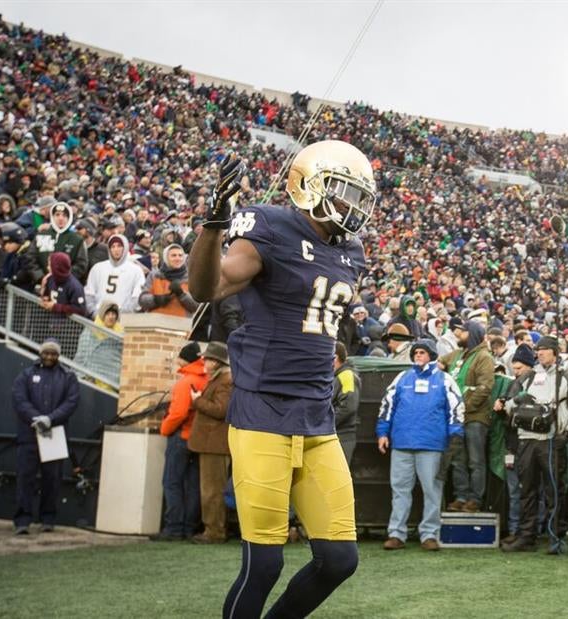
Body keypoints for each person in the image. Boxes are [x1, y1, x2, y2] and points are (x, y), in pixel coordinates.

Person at [189, 142, 374, 618]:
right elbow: (207, 288)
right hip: (263, 411)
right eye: (341, 191)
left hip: (316, 415)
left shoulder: (352, 250)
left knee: (339, 559)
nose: (351, 206)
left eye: (357, 196)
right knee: (265, 563)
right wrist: (213, 224)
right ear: (308, 184)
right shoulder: (270, 225)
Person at [376, 340, 464, 551]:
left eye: (422, 352)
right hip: (402, 443)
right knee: (400, 490)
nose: (417, 355)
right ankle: (396, 533)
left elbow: (457, 409)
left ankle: (429, 534)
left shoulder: (445, 380)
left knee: (432, 491)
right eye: (415, 352)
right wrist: (382, 432)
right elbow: (387, 405)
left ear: (432, 355)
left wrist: (455, 436)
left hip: (432, 444)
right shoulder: (403, 377)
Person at [500, 338, 568, 554]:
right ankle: (526, 536)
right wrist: (521, 402)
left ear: (554, 352)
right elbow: (509, 404)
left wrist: (567, 434)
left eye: (544, 350)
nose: (540, 353)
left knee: (554, 491)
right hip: (526, 440)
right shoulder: (528, 376)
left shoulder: (566, 377)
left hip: (552, 440)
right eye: (538, 350)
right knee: (527, 491)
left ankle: (555, 537)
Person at [10, 339, 79, 534]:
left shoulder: (68, 376)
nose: (49, 357)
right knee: (25, 478)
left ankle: (48, 519)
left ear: (58, 355)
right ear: (41, 353)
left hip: (54, 434)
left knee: (52, 479)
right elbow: (19, 399)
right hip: (29, 434)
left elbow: (71, 402)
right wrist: (36, 418)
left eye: (53, 354)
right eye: (46, 353)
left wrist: (50, 418)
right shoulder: (26, 374)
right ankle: (22, 521)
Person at [153, 341, 206, 542]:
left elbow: (178, 413)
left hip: (181, 437)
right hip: (197, 439)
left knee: (172, 482)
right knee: (193, 485)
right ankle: (189, 527)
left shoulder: (185, 382)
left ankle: (174, 528)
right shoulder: (206, 378)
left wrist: (164, 428)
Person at [442, 316, 495, 513]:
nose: (459, 334)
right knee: (458, 459)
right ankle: (461, 496)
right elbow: (441, 361)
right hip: (456, 419)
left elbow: (485, 387)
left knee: (475, 460)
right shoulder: (459, 354)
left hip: (475, 418)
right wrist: (439, 365)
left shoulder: (484, 357)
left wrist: (464, 408)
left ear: (471, 335)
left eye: (463, 332)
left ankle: (475, 499)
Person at [189, 341, 232, 544]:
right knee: (212, 489)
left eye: (207, 359)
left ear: (216, 362)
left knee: (212, 490)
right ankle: (213, 528)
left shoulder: (225, 381)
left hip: (214, 444)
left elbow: (221, 410)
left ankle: (214, 531)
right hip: (212, 443)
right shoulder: (221, 379)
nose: (204, 362)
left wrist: (197, 400)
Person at [84, 234, 145, 315]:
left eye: (119, 246)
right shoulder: (98, 268)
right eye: (113, 246)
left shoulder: (136, 270)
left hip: (124, 317)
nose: (116, 249)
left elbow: (137, 298)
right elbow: (89, 294)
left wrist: (122, 313)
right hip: (99, 316)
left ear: (125, 247)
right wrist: (95, 312)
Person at [139, 244, 198, 317]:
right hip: (155, 323)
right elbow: (142, 300)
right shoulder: (154, 275)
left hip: (181, 324)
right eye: (173, 255)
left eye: (180, 255)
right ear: (166, 258)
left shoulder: (190, 278)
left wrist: (182, 294)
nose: (177, 258)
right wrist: (156, 300)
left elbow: (196, 306)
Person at [333, 341, 361, 467]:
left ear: (335, 357)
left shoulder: (346, 376)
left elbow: (348, 406)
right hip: (337, 434)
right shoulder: (337, 376)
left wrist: (325, 425)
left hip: (342, 436)